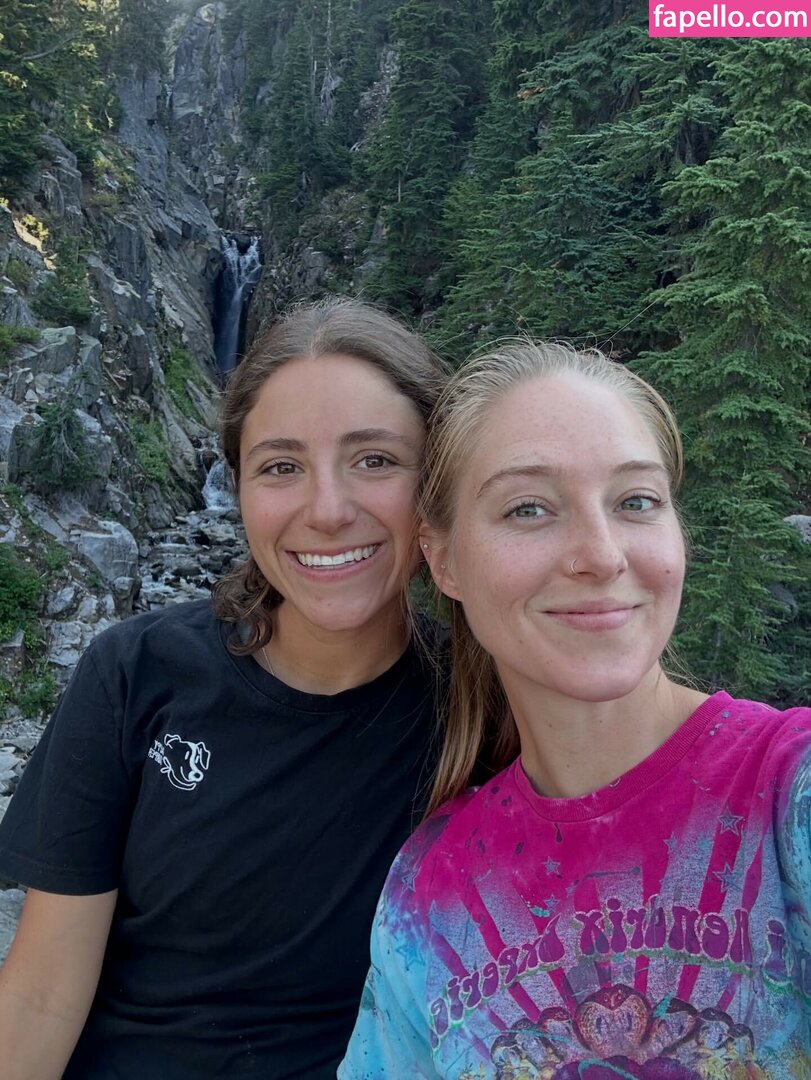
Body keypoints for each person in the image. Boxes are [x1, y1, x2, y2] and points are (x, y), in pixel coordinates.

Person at [0, 299, 449, 1079]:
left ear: (436, 484)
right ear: (237, 486)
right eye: (281, 467)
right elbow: (41, 994)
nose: (327, 510)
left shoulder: (484, 704)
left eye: (375, 459)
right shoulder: (135, 673)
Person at [339, 341, 811, 1079]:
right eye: (528, 508)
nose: (601, 554)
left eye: (635, 502)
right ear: (443, 560)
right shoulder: (428, 894)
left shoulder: (790, 790)